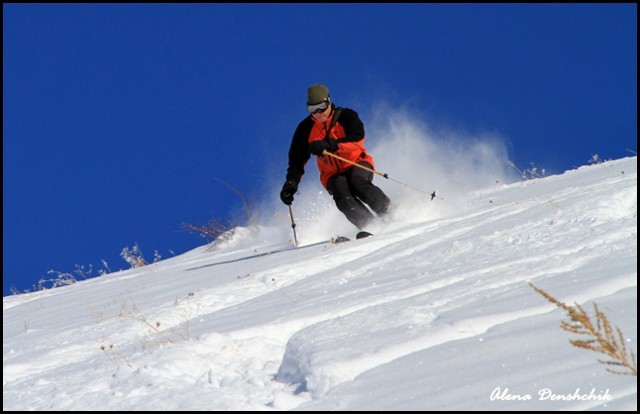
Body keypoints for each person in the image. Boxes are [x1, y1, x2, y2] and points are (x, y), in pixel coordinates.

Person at [279, 83, 391, 230]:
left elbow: (357, 139)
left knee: (358, 183)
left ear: (329, 102)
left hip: (357, 162)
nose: (318, 113)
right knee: (341, 195)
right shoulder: (305, 129)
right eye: (312, 109)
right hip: (331, 174)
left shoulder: (346, 116)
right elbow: (296, 160)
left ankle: (390, 214)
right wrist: (291, 183)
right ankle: (371, 226)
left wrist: (330, 145)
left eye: (321, 106)